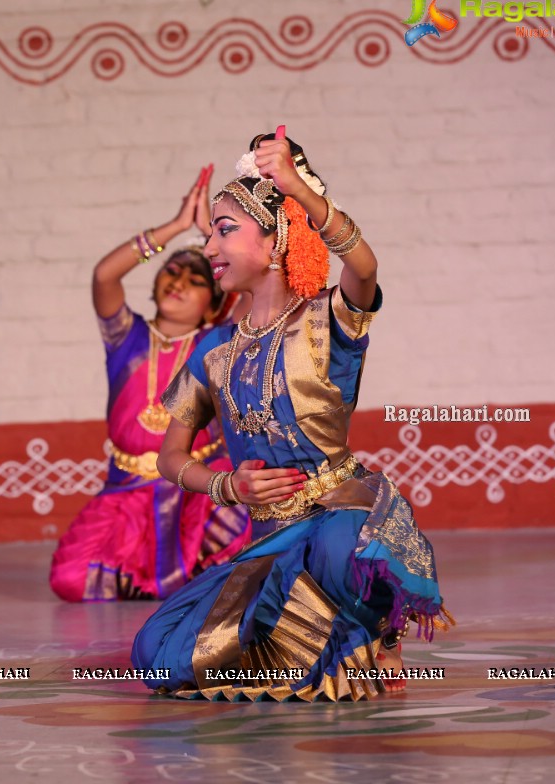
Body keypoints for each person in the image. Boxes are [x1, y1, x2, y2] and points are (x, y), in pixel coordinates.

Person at [131, 129, 452, 700]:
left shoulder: (330, 320)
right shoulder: (214, 354)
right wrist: (227, 485)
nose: (209, 250)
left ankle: (375, 634)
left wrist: (300, 191)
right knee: (158, 653)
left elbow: (364, 266)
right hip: (269, 542)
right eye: (210, 234)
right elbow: (169, 457)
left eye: (225, 231)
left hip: (337, 517)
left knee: (346, 544)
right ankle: (329, 646)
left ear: (277, 239)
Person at [49, 169, 252, 602]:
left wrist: (218, 241)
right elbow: (105, 276)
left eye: (197, 281)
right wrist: (176, 228)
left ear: (214, 303)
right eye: (171, 271)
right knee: (68, 579)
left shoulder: (216, 343)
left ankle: (185, 579)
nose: (179, 282)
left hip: (198, 484)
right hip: (125, 489)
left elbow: (253, 291)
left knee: (249, 534)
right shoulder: (127, 337)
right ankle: (174, 580)